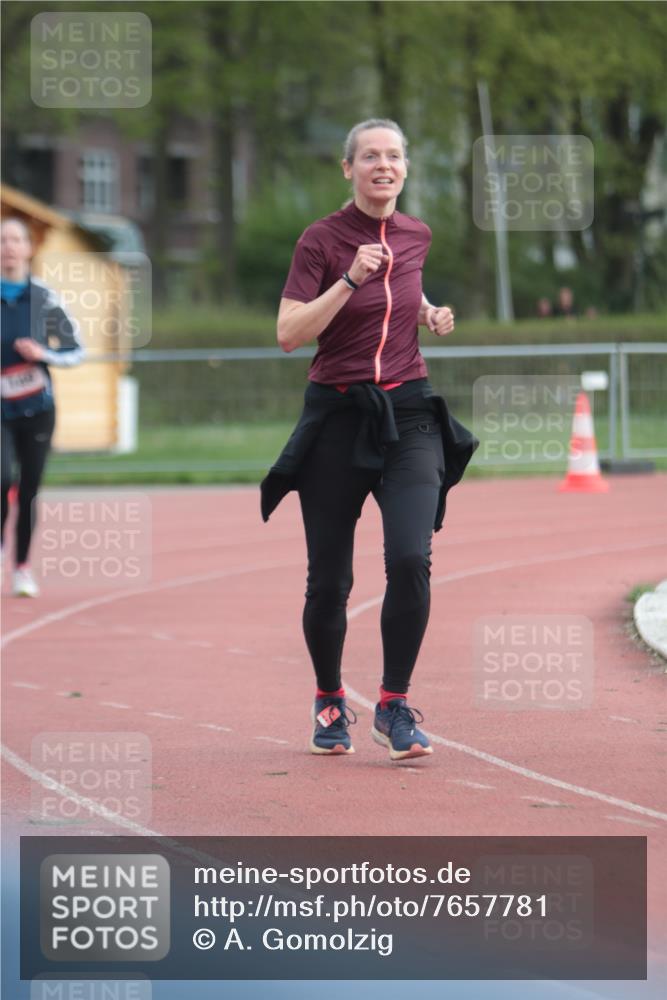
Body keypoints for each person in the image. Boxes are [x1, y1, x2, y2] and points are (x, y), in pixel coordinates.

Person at [260, 119, 477, 761]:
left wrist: (426, 310)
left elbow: (399, 289)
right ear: (347, 168)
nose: (384, 165)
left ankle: (393, 705)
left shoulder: (417, 234)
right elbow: (289, 332)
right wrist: (349, 278)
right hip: (337, 416)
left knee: (411, 558)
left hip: (409, 412)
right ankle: (329, 698)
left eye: (394, 156)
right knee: (330, 581)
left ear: (406, 168)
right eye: (370, 157)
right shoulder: (320, 241)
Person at [1, 217, 85, 597]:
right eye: (2, 240)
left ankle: (22, 568)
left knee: (29, 489)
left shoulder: (44, 297)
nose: (8, 247)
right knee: (2, 479)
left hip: (37, 408)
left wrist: (43, 353)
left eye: (16, 240)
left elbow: (76, 350)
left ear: (29, 248)